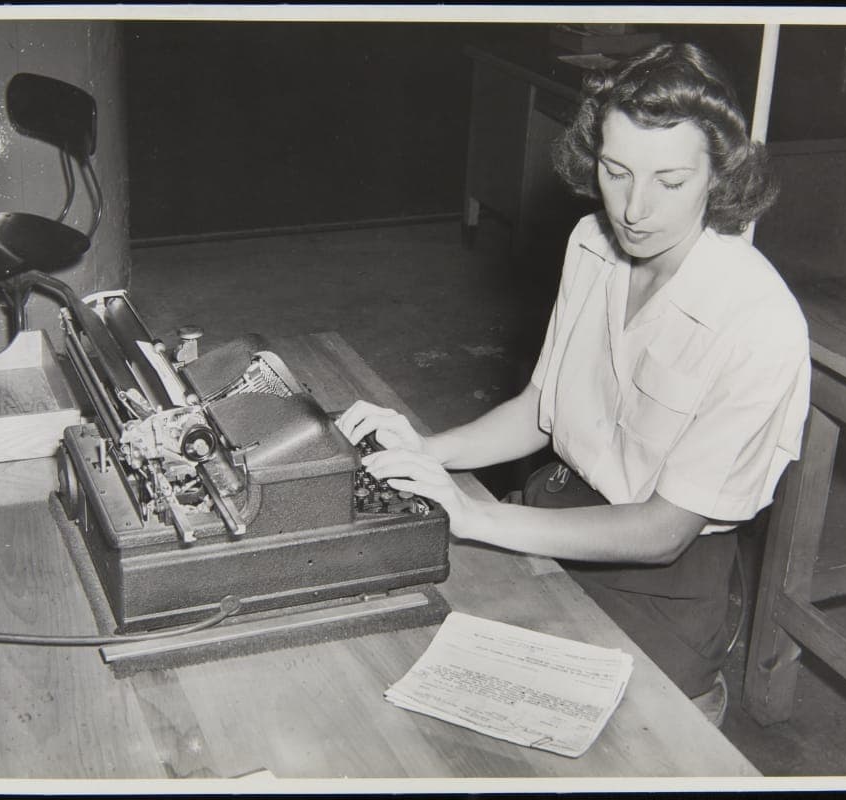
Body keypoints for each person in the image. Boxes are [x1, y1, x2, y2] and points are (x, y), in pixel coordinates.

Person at [336, 42, 810, 723]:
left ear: (720, 175)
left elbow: (663, 532)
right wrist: (424, 448)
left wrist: (474, 516)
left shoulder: (758, 321)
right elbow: (541, 409)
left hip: (662, 584)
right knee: (387, 653)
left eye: (670, 182)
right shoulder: (591, 241)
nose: (635, 209)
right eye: (617, 172)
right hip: (552, 503)